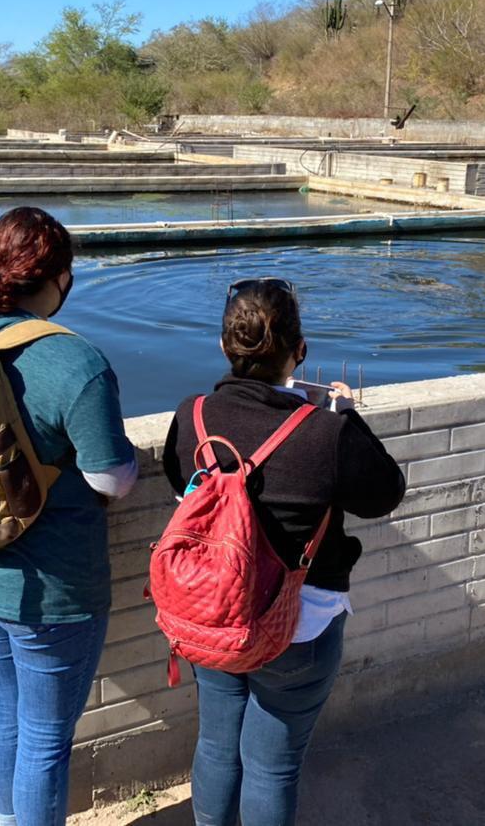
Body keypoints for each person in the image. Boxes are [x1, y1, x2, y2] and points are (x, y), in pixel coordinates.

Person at [161, 277, 406, 826]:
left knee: (218, 747)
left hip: (213, 615)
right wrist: (346, 415)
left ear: (225, 346)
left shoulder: (191, 416)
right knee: (271, 767)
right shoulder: (325, 433)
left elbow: (181, 486)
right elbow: (385, 492)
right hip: (299, 624)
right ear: (300, 351)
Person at [0, 207, 138, 826]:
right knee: (46, 740)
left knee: (5, 713)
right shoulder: (74, 362)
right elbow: (113, 477)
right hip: (51, 592)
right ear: (57, 276)